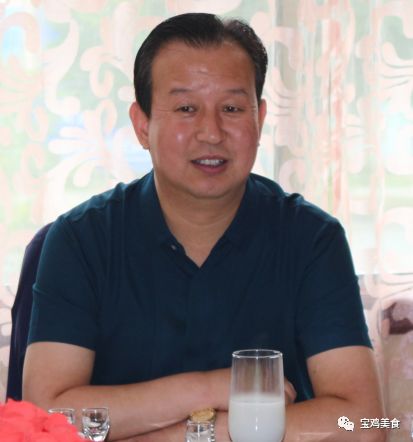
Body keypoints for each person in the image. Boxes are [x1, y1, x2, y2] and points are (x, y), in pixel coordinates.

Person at [23, 12, 386, 442]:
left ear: (260, 118)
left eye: (231, 109)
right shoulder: (79, 241)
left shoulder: (312, 239)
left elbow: (365, 423)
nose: (211, 133)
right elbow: (47, 417)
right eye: (186, 108)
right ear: (142, 125)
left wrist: (201, 432)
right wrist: (213, 388)